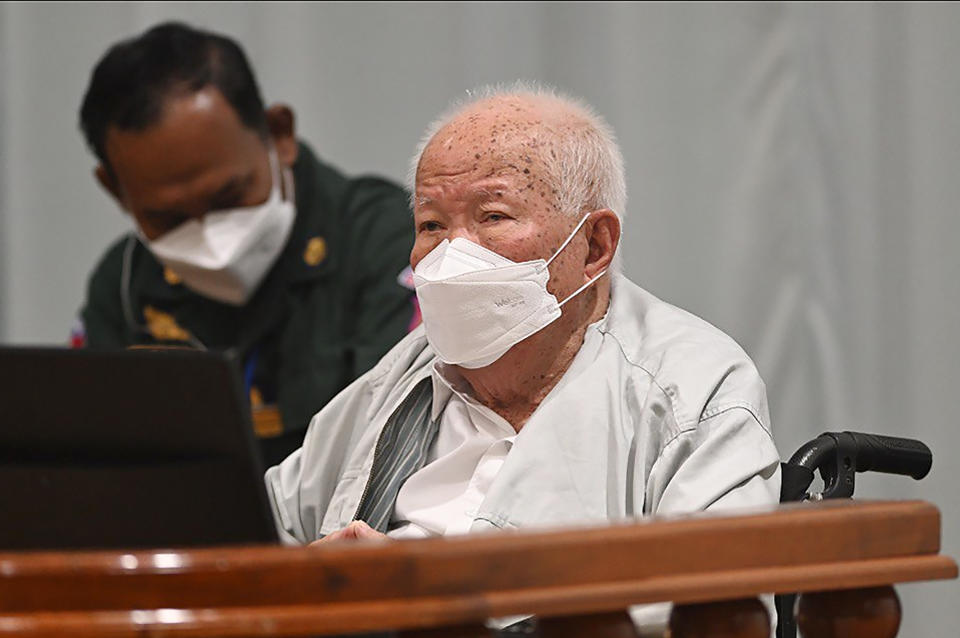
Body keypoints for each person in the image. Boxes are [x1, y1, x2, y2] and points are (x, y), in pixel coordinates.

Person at [266, 84, 781, 616]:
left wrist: (433, 592)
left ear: (594, 246)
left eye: (492, 217)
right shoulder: (410, 368)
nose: (451, 253)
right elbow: (269, 524)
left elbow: (715, 607)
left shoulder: (694, 390)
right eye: (431, 225)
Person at [76, 23, 418, 466]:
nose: (209, 240)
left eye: (229, 198)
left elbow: (394, 451)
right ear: (115, 190)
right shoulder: (122, 287)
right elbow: (94, 464)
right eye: (169, 218)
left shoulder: (387, 241)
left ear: (279, 135)